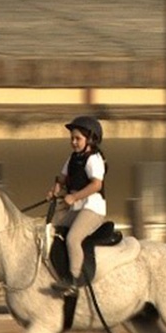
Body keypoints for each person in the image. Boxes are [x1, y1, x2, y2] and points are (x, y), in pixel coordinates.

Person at [48, 115, 108, 295]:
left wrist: (74, 198)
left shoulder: (94, 159)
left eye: (78, 139)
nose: (73, 142)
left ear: (90, 139)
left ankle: (73, 282)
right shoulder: (73, 158)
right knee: (54, 233)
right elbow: (62, 178)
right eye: (72, 138)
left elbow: (97, 185)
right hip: (76, 208)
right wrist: (55, 190)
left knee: (73, 238)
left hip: (93, 209)